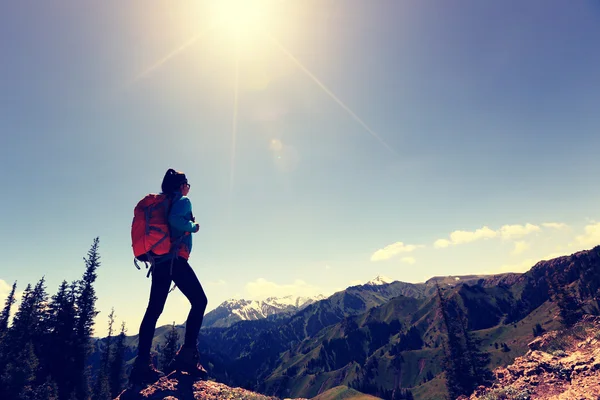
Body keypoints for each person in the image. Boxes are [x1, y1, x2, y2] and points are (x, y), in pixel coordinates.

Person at [130, 169, 208, 385]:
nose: (188, 188)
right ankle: (187, 356)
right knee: (200, 301)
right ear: (181, 185)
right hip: (175, 260)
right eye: (187, 184)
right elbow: (175, 221)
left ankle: (142, 364)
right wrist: (194, 227)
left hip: (159, 262)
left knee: (153, 310)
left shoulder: (159, 202)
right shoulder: (182, 201)